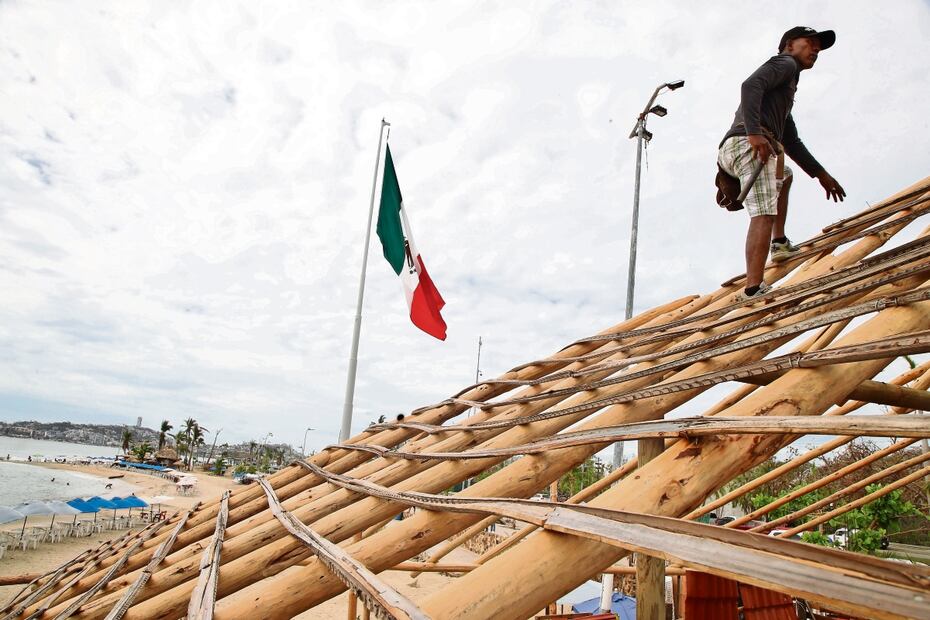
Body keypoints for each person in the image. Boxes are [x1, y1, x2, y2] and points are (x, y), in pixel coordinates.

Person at [718, 26, 846, 300]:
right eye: (810, 43)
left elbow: (793, 143)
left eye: (818, 48)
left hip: (738, 145)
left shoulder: (782, 98)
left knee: (784, 174)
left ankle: (779, 243)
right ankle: (753, 289)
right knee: (763, 211)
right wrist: (754, 133)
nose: (816, 50)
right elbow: (750, 85)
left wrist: (820, 174)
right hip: (747, 142)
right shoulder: (785, 63)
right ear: (789, 45)